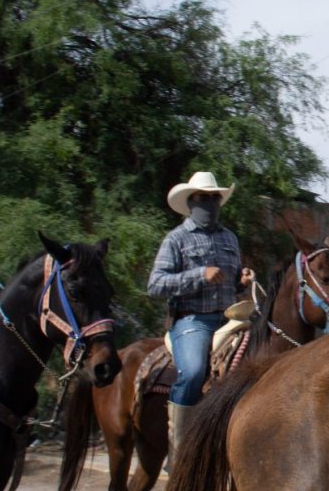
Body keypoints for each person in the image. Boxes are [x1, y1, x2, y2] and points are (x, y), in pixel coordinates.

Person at [147, 171, 254, 467]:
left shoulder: (229, 237)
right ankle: (179, 452)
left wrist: (241, 280)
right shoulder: (176, 239)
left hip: (230, 318)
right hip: (192, 321)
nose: (210, 203)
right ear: (191, 201)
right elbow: (155, 284)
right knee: (193, 372)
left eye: (214, 198)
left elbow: (228, 282)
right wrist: (198, 275)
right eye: (204, 198)